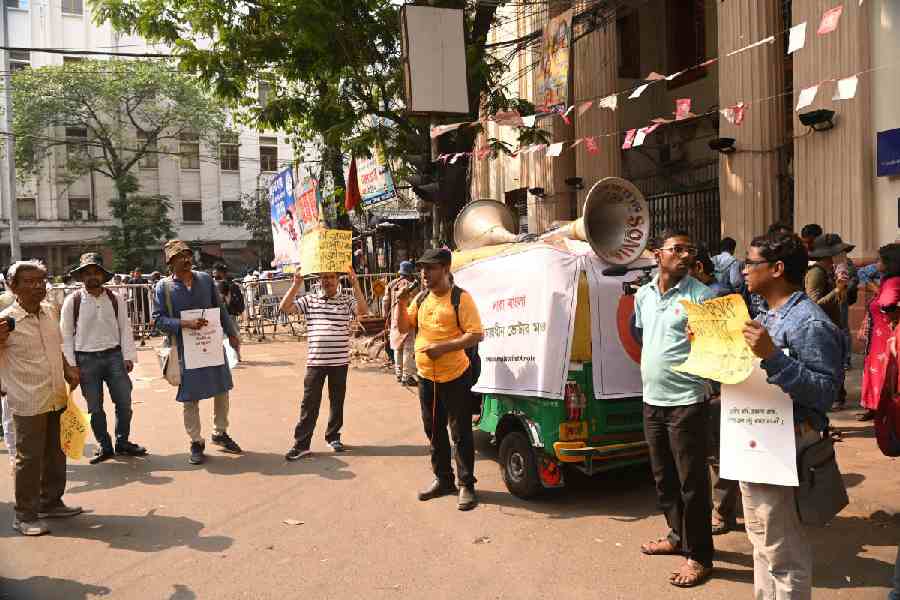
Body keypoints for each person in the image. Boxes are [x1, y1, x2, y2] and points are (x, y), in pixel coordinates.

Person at [740, 232, 844, 599]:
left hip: (787, 443)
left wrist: (773, 356)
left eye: (751, 262)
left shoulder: (808, 323)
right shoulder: (765, 312)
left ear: (777, 268)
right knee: (762, 543)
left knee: (784, 554)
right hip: (754, 439)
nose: (744, 269)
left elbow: (825, 393)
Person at [634, 229, 715, 588]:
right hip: (652, 399)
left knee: (692, 484)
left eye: (690, 249)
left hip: (687, 403)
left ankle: (699, 556)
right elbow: (641, 335)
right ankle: (676, 536)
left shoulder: (702, 297)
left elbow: (714, 349)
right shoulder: (643, 295)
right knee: (663, 478)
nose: (684, 255)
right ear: (657, 255)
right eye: (677, 249)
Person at [394, 248, 484, 511]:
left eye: (430, 268)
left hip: (455, 376)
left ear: (445, 270)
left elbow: (476, 334)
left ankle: (466, 484)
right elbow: (403, 327)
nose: (423, 274)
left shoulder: (460, 298)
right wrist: (400, 302)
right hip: (426, 377)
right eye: (421, 269)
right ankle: (443, 479)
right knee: (433, 429)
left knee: (461, 432)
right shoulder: (421, 299)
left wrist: (443, 348)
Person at [0, 260, 82, 536]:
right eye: (29, 281)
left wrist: (68, 368)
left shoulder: (49, 312)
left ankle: (51, 502)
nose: (37, 286)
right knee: (29, 459)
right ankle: (24, 515)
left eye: (41, 280)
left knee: (55, 454)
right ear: (13, 287)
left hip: (56, 395)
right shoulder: (4, 322)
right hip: (27, 400)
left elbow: (54, 347)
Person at [153, 240, 243, 465]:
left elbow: (219, 309)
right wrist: (185, 324)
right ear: (170, 262)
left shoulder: (205, 279)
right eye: (179, 256)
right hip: (184, 350)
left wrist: (232, 334)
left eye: (187, 254)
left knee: (222, 389)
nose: (185, 259)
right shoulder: (163, 288)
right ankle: (196, 441)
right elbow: (158, 321)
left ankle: (220, 433)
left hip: (211, 344)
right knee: (190, 397)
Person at [61, 253, 147, 465]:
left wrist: (128, 356)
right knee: (95, 407)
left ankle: (123, 442)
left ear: (103, 275)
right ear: (81, 277)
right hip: (85, 360)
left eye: (96, 272)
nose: (92, 277)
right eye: (88, 273)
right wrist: (71, 366)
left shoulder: (114, 299)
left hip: (114, 357)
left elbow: (125, 329)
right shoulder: (73, 301)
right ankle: (104, 445)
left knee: (124, 402)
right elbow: (65, 335)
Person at [280, 267, 368, 459]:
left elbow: (363, 311)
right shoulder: (310, 299)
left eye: (331, 277)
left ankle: (333, 437)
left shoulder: (346, 299)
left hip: (339, 362)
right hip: (315, 362)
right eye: (324, 277)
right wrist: (296, 284)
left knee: (337, 401)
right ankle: (302, 444)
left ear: (338, 280)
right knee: (309, 403)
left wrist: (356, 285)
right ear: (319, 280)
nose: (327, 281)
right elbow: (285, 308)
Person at [858, 244, 900, 422]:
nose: (876, 263)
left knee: (884, 371)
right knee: (875, 370)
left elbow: (886, 302)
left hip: (886, 337)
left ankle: (883, 409)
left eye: (880, 260)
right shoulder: (887, 280)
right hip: (879, 335)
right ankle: (875, 407)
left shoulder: (893, 281)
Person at [383, 261, 418, 385]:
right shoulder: (411, 285)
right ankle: (406, 377)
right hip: (407, 319)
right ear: (410, 273)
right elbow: (416, 302)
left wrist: (386, 316)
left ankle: (398, 374)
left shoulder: (391, 284)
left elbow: (385, 301)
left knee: (398, 347)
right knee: (408, 348)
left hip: (394, 319)